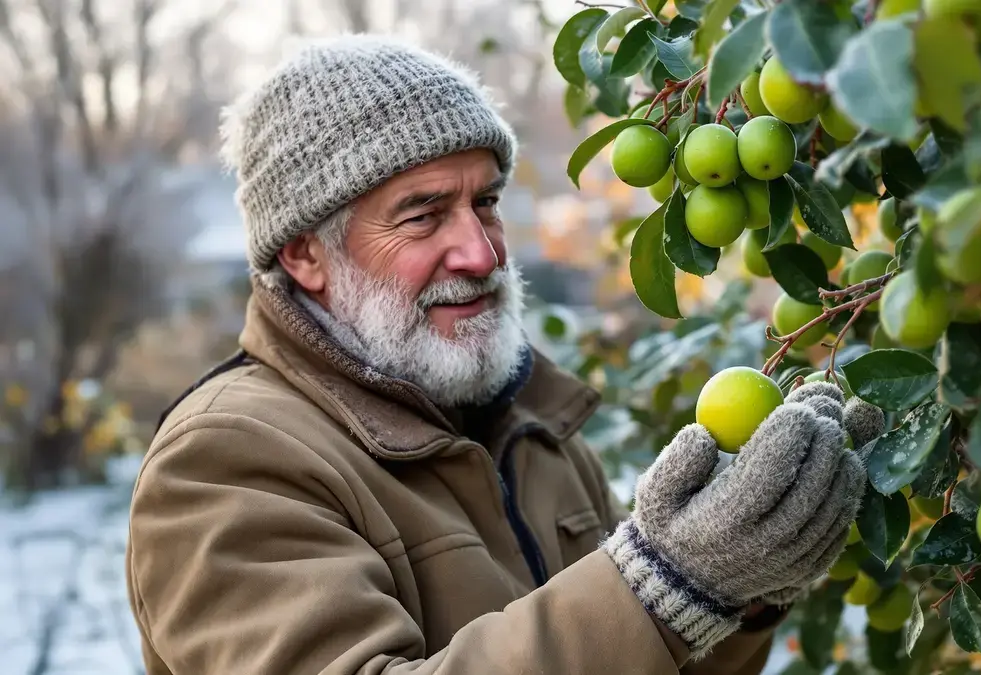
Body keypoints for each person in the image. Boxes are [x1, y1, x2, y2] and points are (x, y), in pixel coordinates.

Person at [124, 34, 874, 675]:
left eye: (485, 202)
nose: (481, 252)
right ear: (305, 254)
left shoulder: (530, 422)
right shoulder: (223, 461)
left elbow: (653, 656)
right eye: (423, 216)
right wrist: (666, 586)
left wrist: (740, 579)